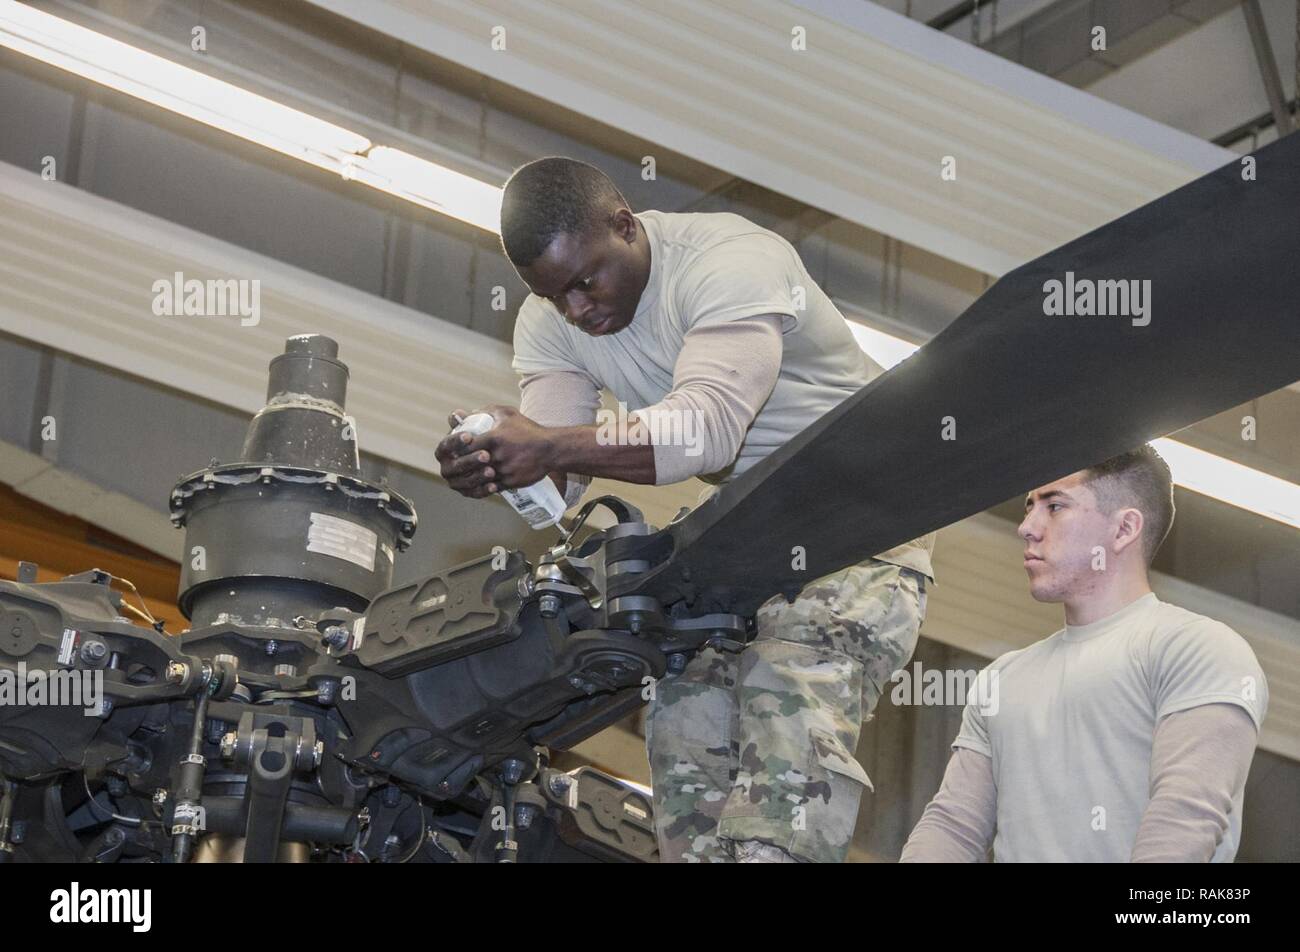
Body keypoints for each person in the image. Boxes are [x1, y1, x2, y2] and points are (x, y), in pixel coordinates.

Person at [436, 156, 934, 862]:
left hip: (857, 520)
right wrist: (498, 462)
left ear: (625, 225)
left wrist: (545, 446)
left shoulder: (731, 262)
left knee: (785, 693)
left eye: (586, 280)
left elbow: (703, 431)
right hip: (744, 535)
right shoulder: (551, 323)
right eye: (555, 296)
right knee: (680, 723)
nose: (577, 309)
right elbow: (560, 474)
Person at [901, 446, 1267, 862]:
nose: (1026, 527)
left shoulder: (1197, 649)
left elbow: (1183, 821)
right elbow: (953, 826)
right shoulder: (1003, 678)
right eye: (1029, 507)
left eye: (1054, 506)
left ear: (1124, 529)